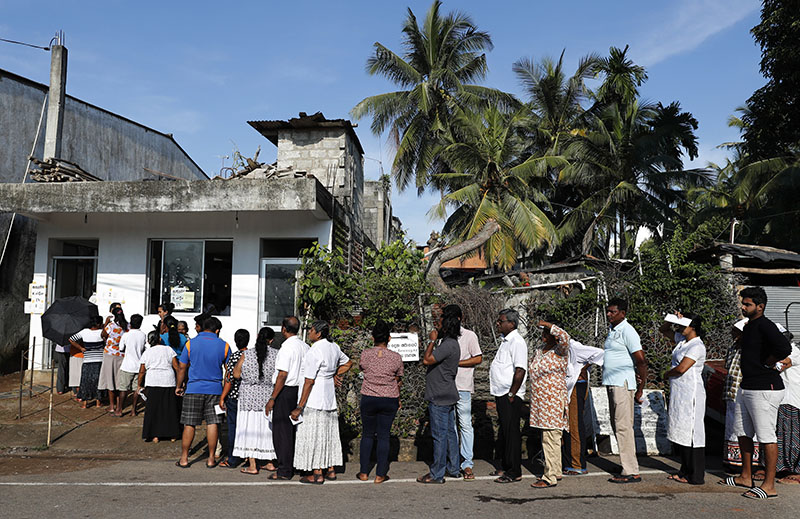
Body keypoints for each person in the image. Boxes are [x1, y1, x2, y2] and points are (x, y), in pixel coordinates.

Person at [722, 287, 792, 500]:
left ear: (760, 307)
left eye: (748, 304)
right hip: (747, 386)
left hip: (765, 388)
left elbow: (784, 348)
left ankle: (769, 485)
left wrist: (768, 362)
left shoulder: (766, 325)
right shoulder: (750, 326)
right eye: (743, 303)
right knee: (743, 432)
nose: (743, 307)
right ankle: (746, 476)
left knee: (766, 436)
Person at [292, 320, 353, 484]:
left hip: (315, 398)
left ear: (318, 333)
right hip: (328, 397)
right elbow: (348, 363)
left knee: (315, 434)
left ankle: (317, 472)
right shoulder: (334, 347)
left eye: (311, 330)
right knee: (328, 433)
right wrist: (334, 374)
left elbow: (309, 381)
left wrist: (299, 406)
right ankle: (330, 470)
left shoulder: (315, 351)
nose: (309, 332)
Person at [175, 316, 231, 469]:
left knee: (189, 423)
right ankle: (211, 458)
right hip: (215, 390)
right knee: (213, 423)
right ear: (217, 330)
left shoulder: (190, 344)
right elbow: (229, 372)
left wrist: (179, 386)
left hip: (193, 388)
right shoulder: (224, 346)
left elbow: (182, 367)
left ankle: (184, 458)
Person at [602, 297, 647, 484]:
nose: (608, 314)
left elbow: (641, 359)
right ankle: (625, 464)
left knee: (623, 426)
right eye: (608, 311)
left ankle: (631, 470)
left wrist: (641, 387)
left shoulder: (627, 331)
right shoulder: (613, 331)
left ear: (623, 313)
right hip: (613, 382)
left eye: (613, 311)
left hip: (623, 383)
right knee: (617, 425)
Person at [660, 313, 707, 485]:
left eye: (683, 325)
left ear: (692, 327)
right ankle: (685, 470)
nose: (679, 328)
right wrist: (674, 318)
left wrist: (666, 374)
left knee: (692, 432)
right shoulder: (682, 341)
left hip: (691, 393)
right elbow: (663, 329)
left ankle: (695, 475)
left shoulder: (697, 346)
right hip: (680, 392)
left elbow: (682, 368)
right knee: (681, 431)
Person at [356, 319, 403, 484]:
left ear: (372, 337)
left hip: (369, 397)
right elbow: (398, 378)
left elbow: (362, 369)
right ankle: (380, 474)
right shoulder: (396, 357)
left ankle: (363, 472)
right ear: (389, 338)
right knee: (383, 436)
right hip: (389, 398)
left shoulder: (365, 354)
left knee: (367, 434)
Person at [416, 312, 461, 484]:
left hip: (439, 395)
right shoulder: (452, 344)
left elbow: (427, 360)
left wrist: (432, 340)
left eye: (440, 324)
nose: (437, 327)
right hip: (447, 393)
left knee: (440, 435)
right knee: (450, 432)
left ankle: (437, 473)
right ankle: (453, 468)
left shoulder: (447, 345)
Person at [264, 316, 309, 480]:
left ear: (284, 328)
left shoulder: (286, 348)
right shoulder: (305, 346)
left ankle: (284, 469)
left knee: (282, 431)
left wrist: (272, 398)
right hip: (300, 390)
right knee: (295, 431)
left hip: (286, 390)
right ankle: (297, 464)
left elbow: (282, 375)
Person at [230, 327, 280, 475]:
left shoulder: (247, 354)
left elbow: (236, 374)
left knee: (249, 430)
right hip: (267, 396)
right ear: (271, 340)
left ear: (257, 336)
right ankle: (270, 462)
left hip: (248, 397)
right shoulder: (276, 355)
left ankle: (253, 465)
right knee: (266, 430)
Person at [528, 320, 571, 488]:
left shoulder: (560, 351)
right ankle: (556, 470)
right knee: (549, 436)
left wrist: (548, 324)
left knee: (551, 437)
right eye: (543, 331)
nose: (544, 335)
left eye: (547, 332)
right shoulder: (539, 351)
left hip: (553, 400)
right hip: (540, 402)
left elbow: (565, 337)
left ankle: (549, 477)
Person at [489, 308, 528, 483]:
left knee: (512, 432)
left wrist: (512, 393)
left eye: (501, 321)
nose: (498, 323)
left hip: (510, 393)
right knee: (505, 431)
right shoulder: (505, 341)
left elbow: (520, 370)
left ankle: (514, 471)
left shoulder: (517, 342)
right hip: (502, 392)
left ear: (511, 324)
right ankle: (505, 465)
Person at [448, 304, 482, 481]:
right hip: (446, 387)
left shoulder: (469, 336)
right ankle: (454, 462)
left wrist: (457, 363)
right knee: (450, 426)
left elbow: (478, 358)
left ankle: (467, 463)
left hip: (463, 386)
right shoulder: (443, 336)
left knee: (465, 424)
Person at [562, 333, 604, 475]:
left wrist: (584, 367)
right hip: (567, 389)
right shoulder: (560, 348)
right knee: (567, 424)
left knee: (574, 424)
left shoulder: (575, 347)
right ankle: (568, 462)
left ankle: (577, 464)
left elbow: (599, 353)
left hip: (576, 387)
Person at [723, 319, 762, 471]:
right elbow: (728, 365)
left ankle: (745, 463)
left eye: (735, 331)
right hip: (731, 391)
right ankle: (732, 460)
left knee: (744, 428)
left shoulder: (750, 348)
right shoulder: (733, 347)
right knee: (731, 426)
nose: (733, 334)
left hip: (744, 391)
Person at [139, 331, 180, 442]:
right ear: (160, 339)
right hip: (168, 380)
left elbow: (142, 371)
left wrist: (139, 384)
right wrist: (180, 382)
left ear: (148, 341)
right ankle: (172, 434)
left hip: (152, 381)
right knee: (169, 408)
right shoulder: (168, 349)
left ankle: (155, 435)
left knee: (153, 409)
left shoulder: (147, 352)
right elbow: (176, 367)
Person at [218, 329, 250, 469]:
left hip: (234, 397)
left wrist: (222, 397)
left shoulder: (235, 356)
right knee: (249, 428)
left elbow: (229, 379)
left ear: (236, 341)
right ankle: (250, 457)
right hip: (249, 397)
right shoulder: (253, 355)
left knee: (233, 428)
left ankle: (233, 458)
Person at [776, 332, 800, 483]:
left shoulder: (793, 351)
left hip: (792, 400)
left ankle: (796, 472)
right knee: (783, 435)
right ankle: (784, 468)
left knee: (793, 436)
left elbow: (781, 365)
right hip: (783, 399)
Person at [69, 315, 105, 408]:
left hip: (87, 360)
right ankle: (98, 402)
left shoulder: (84, 332)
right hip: (99, 361)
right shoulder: (102, 332)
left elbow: (71, 339)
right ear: (98, 324)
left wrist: (81, 348)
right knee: (98, 381)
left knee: (85, 381)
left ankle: (85, 403)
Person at [117, 314, 147, 416]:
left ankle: (119, 410)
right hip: (138, 366)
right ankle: (134, 410)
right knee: (136, 389)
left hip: (127, 366)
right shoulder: (143, 335)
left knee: (123, 389)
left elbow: (121, 348)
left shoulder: (126, 335)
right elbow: (144, 348)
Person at [99, 306, 128, 414]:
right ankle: (119, 405)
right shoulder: (127, 325)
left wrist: (106, 322)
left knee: (110, 380)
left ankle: (112, 406)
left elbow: (103, 334)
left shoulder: (111, 326)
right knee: (119, 380)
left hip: (110, 354)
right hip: (122, 354)